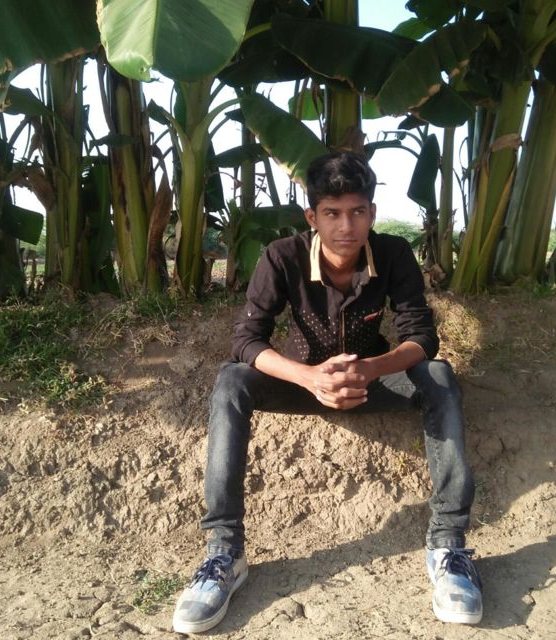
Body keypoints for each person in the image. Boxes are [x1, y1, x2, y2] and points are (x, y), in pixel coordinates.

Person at [172, 152, 482, 634]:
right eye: (332, 213)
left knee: (439, 376)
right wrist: (310, 377)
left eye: (357, 212)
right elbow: (246, 341)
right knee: (232, 379)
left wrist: (368, 369)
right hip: (300, 382)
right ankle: (224, 552)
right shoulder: (282, 256)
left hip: (372, 379)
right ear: (312, 217)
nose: (346, 226)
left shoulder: (393, 254)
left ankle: (448, 546)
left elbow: (422, 338)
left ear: (372, 213)